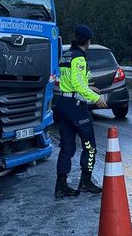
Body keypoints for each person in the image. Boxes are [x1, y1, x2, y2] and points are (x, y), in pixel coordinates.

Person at [54, 25, 108, 199]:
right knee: (90, 146)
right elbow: (77, 84)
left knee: (67, 147)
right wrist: (95, 98)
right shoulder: (79, 57)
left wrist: (88, 87)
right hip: (75, 105)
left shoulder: (66, 55)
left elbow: (69, 80)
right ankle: (85, 181)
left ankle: (61, 186)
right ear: (88, 41)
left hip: (62, 103)